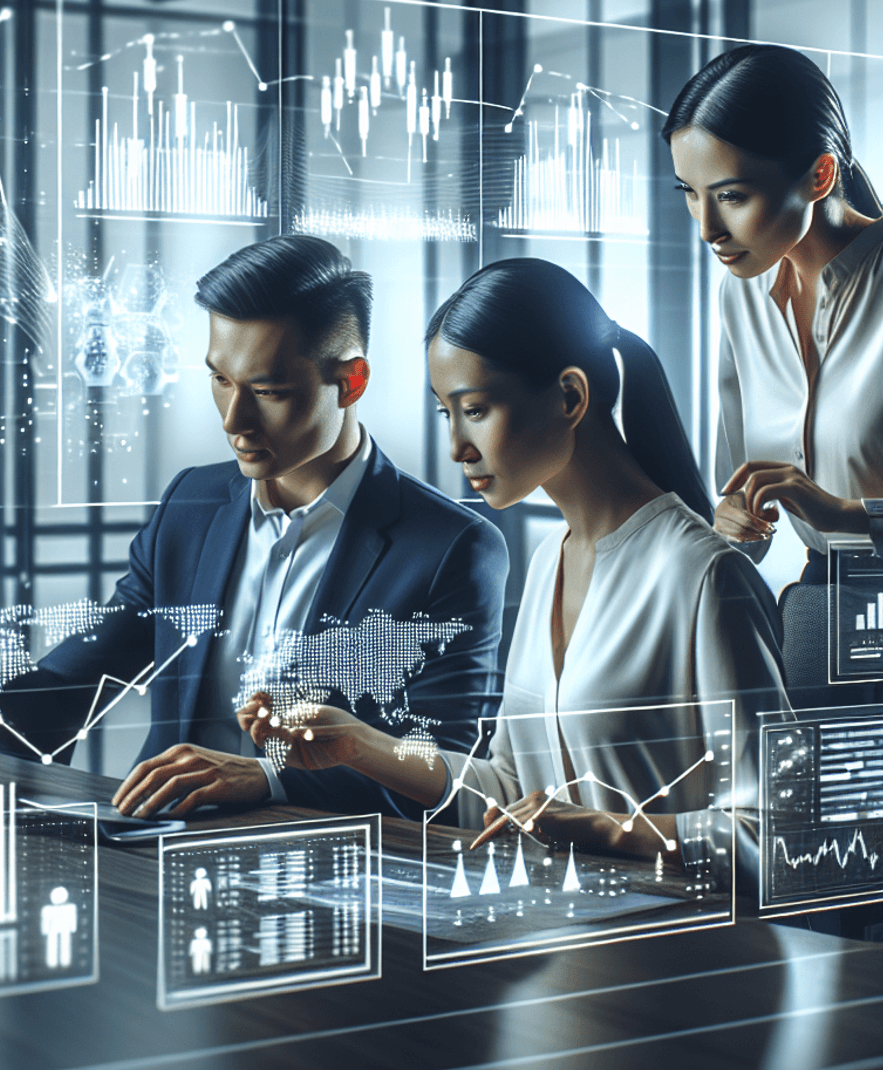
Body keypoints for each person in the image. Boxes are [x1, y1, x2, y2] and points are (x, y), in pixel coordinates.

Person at [0, 236, 508, 819]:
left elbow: (450, 774)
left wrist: (269, 778)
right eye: (219, 381)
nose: (233, 420)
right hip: (154, 856)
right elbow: (54, 711)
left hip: (341, 882)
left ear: (350, 382)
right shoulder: (192, 508)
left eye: (267, 392)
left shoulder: (450, 547)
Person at [242, 260, 789, 882]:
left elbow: (779, 834)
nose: (456, 447)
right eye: (446, 413)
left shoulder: (704, 577)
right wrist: (359, 744)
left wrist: (612, 829)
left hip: (677, 951)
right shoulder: (549, 560)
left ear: (569, 397)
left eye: (474, 409)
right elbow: (506, 791)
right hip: (560, 942)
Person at [664, 45, 883, 577]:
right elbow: (740, 508)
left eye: (732, 196)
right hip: (825, 612)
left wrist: (845, 515)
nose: (707, 229)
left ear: (820, 175)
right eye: (690, 194)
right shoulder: (740, 295)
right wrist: (737, 520)